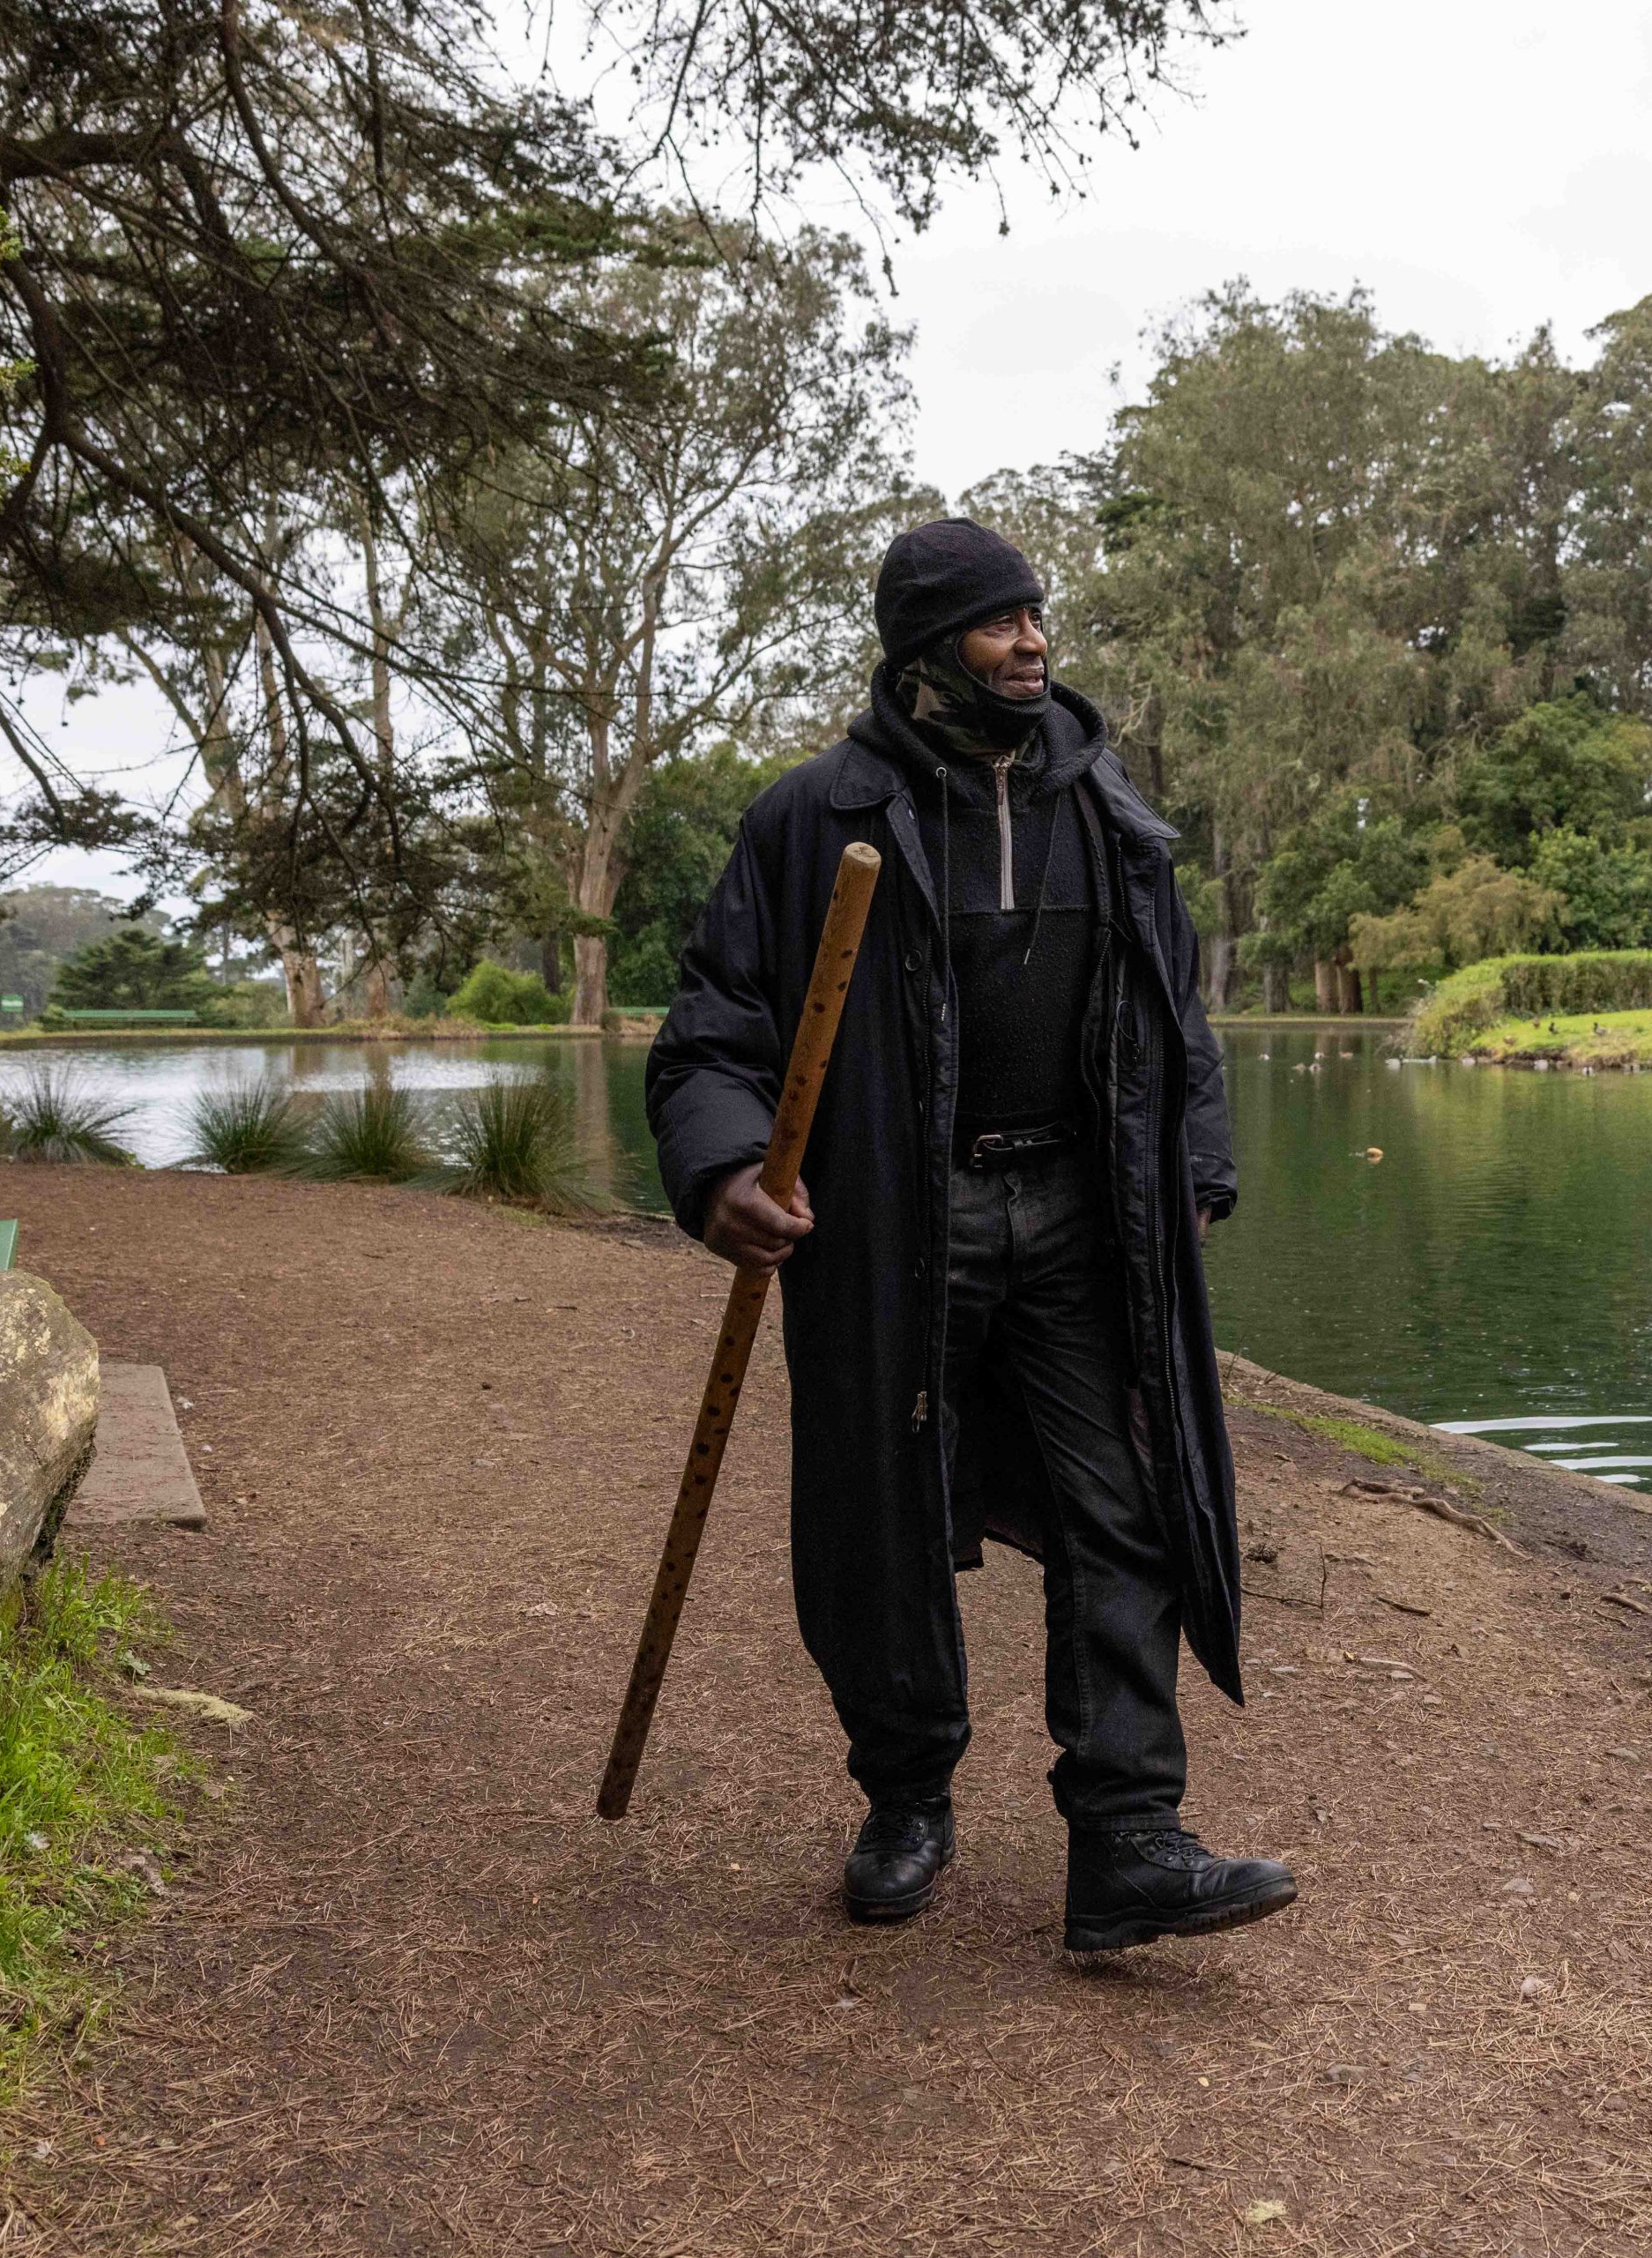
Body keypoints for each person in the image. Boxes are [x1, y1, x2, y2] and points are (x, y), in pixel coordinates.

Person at [645, 518, 1296, 1954]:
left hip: (1080, 1218)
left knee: (1120, 1498)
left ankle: (1128, 1834)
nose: (1033, 643)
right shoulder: (816, 820)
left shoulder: (1106, 806)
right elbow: (711, 1037)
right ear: (927, 647)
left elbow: (1175, 1013)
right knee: (878, 1516)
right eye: (1001, 622)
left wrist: (1194, 1166)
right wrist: (723, 1172)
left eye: (1037, 616)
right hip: (890, 1220)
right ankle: (906, 1796)